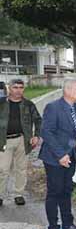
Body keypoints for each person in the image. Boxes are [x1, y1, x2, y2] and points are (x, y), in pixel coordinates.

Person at [39, 79, 76, 229]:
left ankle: (68, 224)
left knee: (66, 190)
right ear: (68, 90)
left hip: (70, 157)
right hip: (53, 158)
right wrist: (61, 155)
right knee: (55, 192)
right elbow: (46, 133)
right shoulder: (53, 107)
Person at [0, 79, 42, 207]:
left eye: (21, 87)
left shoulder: (28, 104)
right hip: (4, 140)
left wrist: (36, 136)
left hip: (23, 140)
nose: (18, 90)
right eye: (15, 87)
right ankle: (0, 195)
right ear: (9, 88)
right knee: (3, 169)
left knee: (21, 169)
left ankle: (19, 194)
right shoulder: (1, 103)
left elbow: (38, 120)